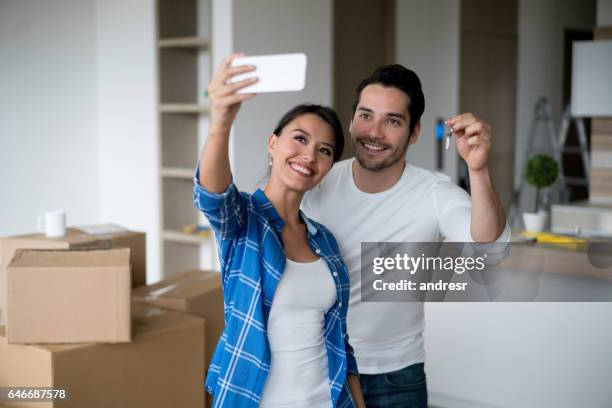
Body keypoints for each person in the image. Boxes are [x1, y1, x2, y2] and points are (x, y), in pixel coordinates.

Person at [302, 64, 510, 407]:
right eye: (366, 116)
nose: (374, 132)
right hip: (319, 365)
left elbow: (489, 252)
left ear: (414, 133)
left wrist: (478, 169)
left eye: (392, 121)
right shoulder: (318, 182)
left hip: (396, 376)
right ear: (352, 120)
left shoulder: (434, 193)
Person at [194, 54, 366, 408]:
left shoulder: (325, 241)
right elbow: (213, 198)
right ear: (273, 144)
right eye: (299, 139)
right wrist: (220, 123)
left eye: (324, 151)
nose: (308, 156)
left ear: (327, 168)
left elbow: (339, 340)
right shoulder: (245, 221)